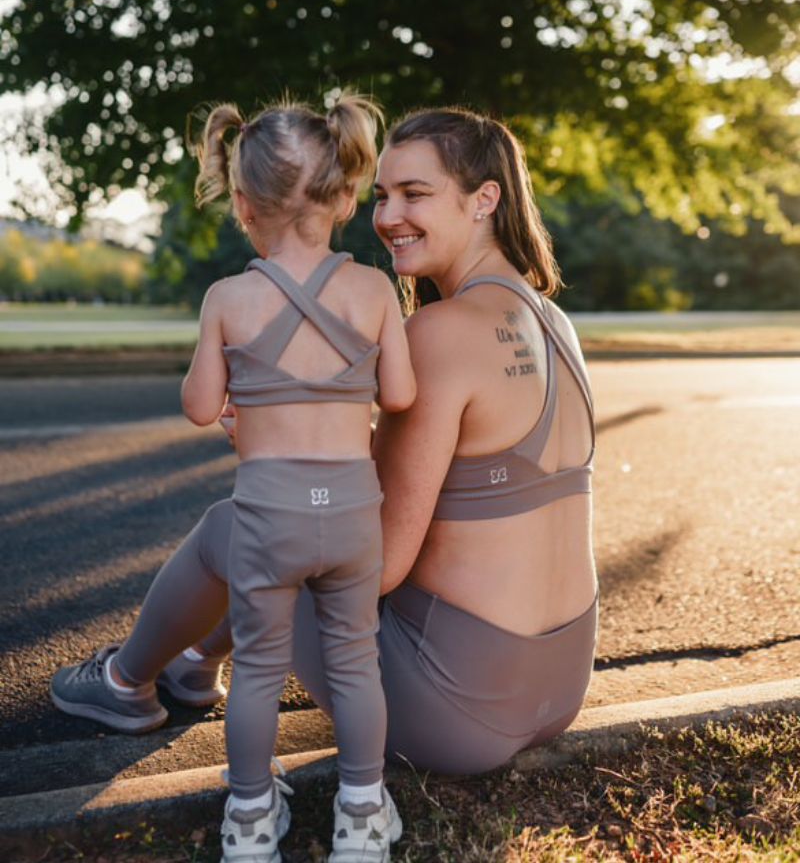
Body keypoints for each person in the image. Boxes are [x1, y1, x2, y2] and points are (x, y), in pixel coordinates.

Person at [52, 106, 597, 846]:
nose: (389, 217)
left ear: (485, 199)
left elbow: (377, 564)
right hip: (558, 685)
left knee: (241, 528)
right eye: (379, 196)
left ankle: (123, 683)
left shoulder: (439, 334)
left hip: (458, 710)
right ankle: (192, 664)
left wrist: (276, 440)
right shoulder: (553, 322)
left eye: (415, 194)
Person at [53, 94, 416, 863]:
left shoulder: (228, 298)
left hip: (268, 514)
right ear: (347, 195)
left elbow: (197, 407)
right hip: (352, 513)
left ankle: (250, 816)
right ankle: (360, 811)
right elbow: (403, 396)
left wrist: (243, 408)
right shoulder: (376, 291)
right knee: (355, 661)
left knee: (255, 666)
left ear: (242, 204)